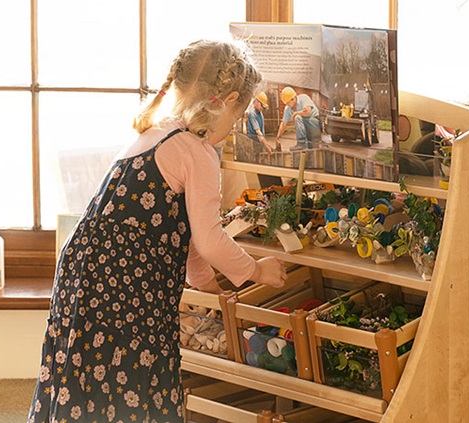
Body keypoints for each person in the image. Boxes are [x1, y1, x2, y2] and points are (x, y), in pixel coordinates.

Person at [27, 39, 287, 423]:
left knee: (84, 363)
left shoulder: (153, 133)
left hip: (84, 265)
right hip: (126, 278)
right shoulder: (197, 153)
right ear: (228, 99)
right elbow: (211, 239)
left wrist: (208, 285)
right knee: (133, 369)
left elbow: (190, 239)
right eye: (237, 116)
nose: (232, 129)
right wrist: (257, 270)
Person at [275, 86, 322, 150]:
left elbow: (308, 112)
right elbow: (283, 124)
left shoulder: (303, 98)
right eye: (286, 103)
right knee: (310, 149)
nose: (287, 105)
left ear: (293, 98)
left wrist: (296, 113)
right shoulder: (288, 109)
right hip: (305, 128)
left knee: (297, 117)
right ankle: (302, 145)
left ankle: (301, 143)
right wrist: (277, 137)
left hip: (314, 123)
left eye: (288, 102)